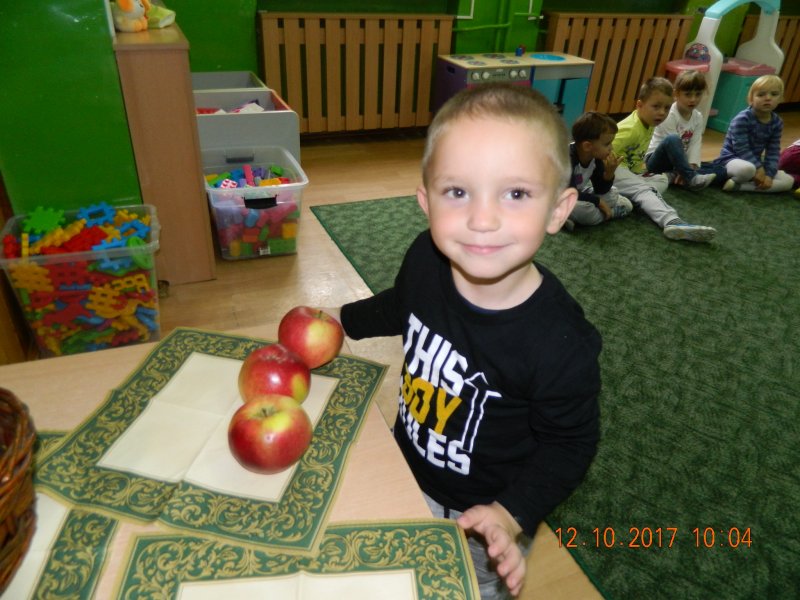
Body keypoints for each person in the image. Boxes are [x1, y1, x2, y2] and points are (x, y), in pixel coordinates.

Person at [336, 84, 601, 599]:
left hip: (483, 514)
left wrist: (510, 513)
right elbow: (402, 304)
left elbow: (570, 444)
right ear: (426, 201)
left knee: (468, 589)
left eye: (516, 193)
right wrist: (341, 320)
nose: (482, 220)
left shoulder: (560, 342)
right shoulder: (426, 258)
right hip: (405, 464)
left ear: (558, 209)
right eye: (457, 192)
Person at [612, 76, 717, 242]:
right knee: (644, 190)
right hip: (612, 170)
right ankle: (672, 221)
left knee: (661, 180)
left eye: (667, 108)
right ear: (639, 105)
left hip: (628, 172)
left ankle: (624, 199)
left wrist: (638, 173)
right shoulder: (631, 128)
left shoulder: (648, 124)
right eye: (656, 106)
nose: (662, 112)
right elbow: (601, 151)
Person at [713, 74, 794, 193]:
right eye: (761, 95)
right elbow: (741, 148)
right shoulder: (742, 119)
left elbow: (773, 151)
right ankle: (741, 179)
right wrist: (759, 168)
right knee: (747, 170)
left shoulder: (777, 122)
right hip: (731, 160)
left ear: (781, 98)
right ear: (751, 99)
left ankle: (740, 186)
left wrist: (769, 175)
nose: (768, 98)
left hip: (755, 163)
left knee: (788, 181)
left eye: (774, 94)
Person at [646, 69, 718, 189]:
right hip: (657, 161)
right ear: (676, 94)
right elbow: (673, 147)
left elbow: (695, 143)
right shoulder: (669, 114)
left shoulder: (698, 117)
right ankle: (690, 178)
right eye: (688, 94)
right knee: (673, 139)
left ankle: (673, 176)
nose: (693, 99)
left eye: (698, 94)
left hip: (680, 163)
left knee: (720, 170)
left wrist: (692, 164)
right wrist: (686, 169)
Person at [565, 111, 633, 229]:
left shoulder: (595, 157)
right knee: (583, 209)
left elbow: (600, 189)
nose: (611, 148)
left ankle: (567, 217)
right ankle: (610, 213)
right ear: (587, 146)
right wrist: (598, 202)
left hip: (576, 193)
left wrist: (609, 173)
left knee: (613, 193)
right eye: (607, 144)